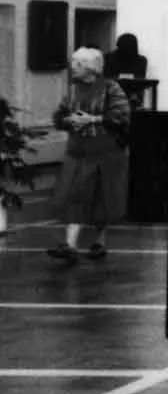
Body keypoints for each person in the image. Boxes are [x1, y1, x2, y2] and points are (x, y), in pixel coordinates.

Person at [46, 47, 131, 263]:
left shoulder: (111, 88)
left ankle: (99, 241)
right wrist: (69, 120)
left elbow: (122, 116)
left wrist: (93, 119)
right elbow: (58, 116)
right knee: (73, 196)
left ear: (91, 68)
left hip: (106, 152)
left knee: (102, 199)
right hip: (77, 152)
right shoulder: (73, 90)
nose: (73, 67)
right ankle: (70, 245)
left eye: (78, 64)